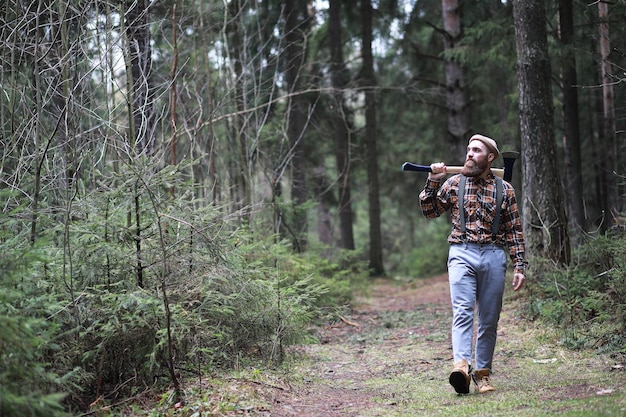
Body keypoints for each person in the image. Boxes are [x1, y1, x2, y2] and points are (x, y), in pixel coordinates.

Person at [418, 134, 526, 394]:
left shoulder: (505, 189)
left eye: (476, 150)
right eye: (468, 149)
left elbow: (514, 230)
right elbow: (430, 211)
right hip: (461, 253)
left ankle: (483, 374)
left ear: (490, 158)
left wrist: (519, 265)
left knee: (489, 319)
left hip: (493, 255)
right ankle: (462, 367)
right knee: (463, 311)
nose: (469, 154)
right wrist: (433, 181)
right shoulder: (454, 183)